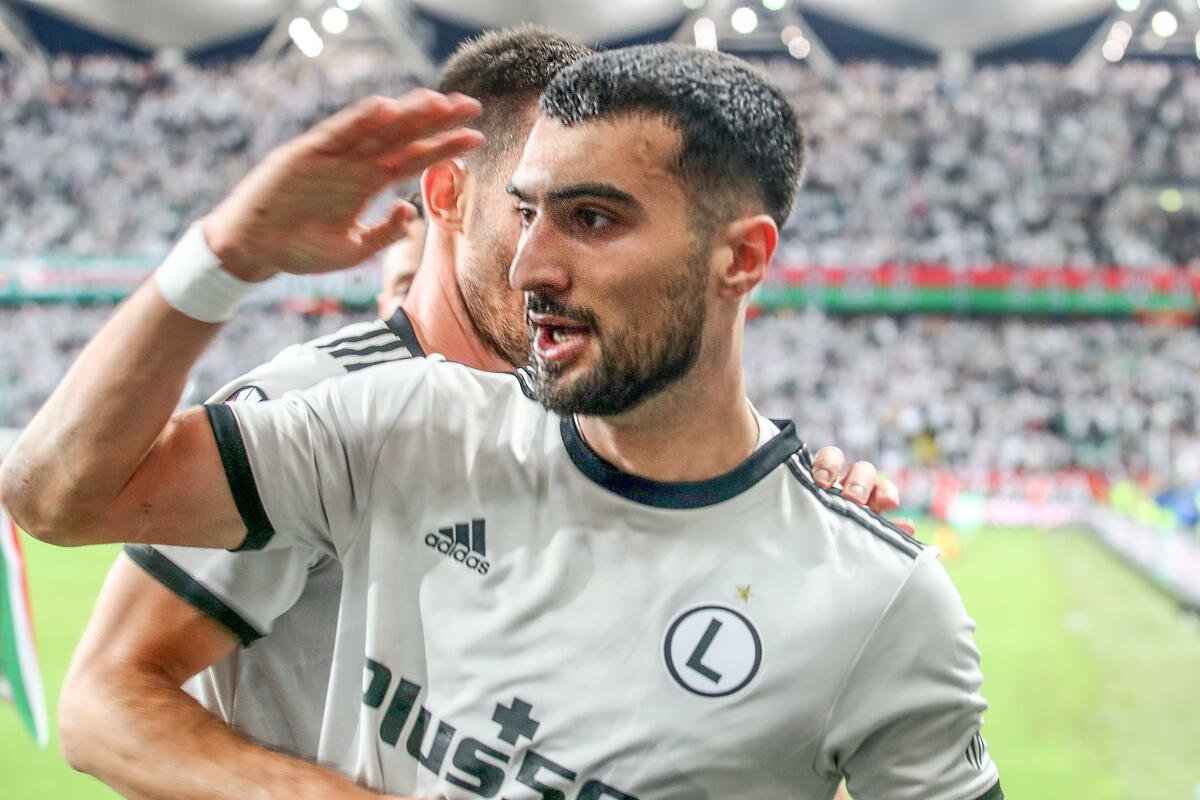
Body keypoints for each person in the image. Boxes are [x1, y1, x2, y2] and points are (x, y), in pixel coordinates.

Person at [24, 32, 901, 800]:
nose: (545, 258)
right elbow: (103, 702)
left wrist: (798, 536)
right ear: (448, 196)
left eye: (596, 216)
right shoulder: (332, 405)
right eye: (528, 208)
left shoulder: (594, 434)